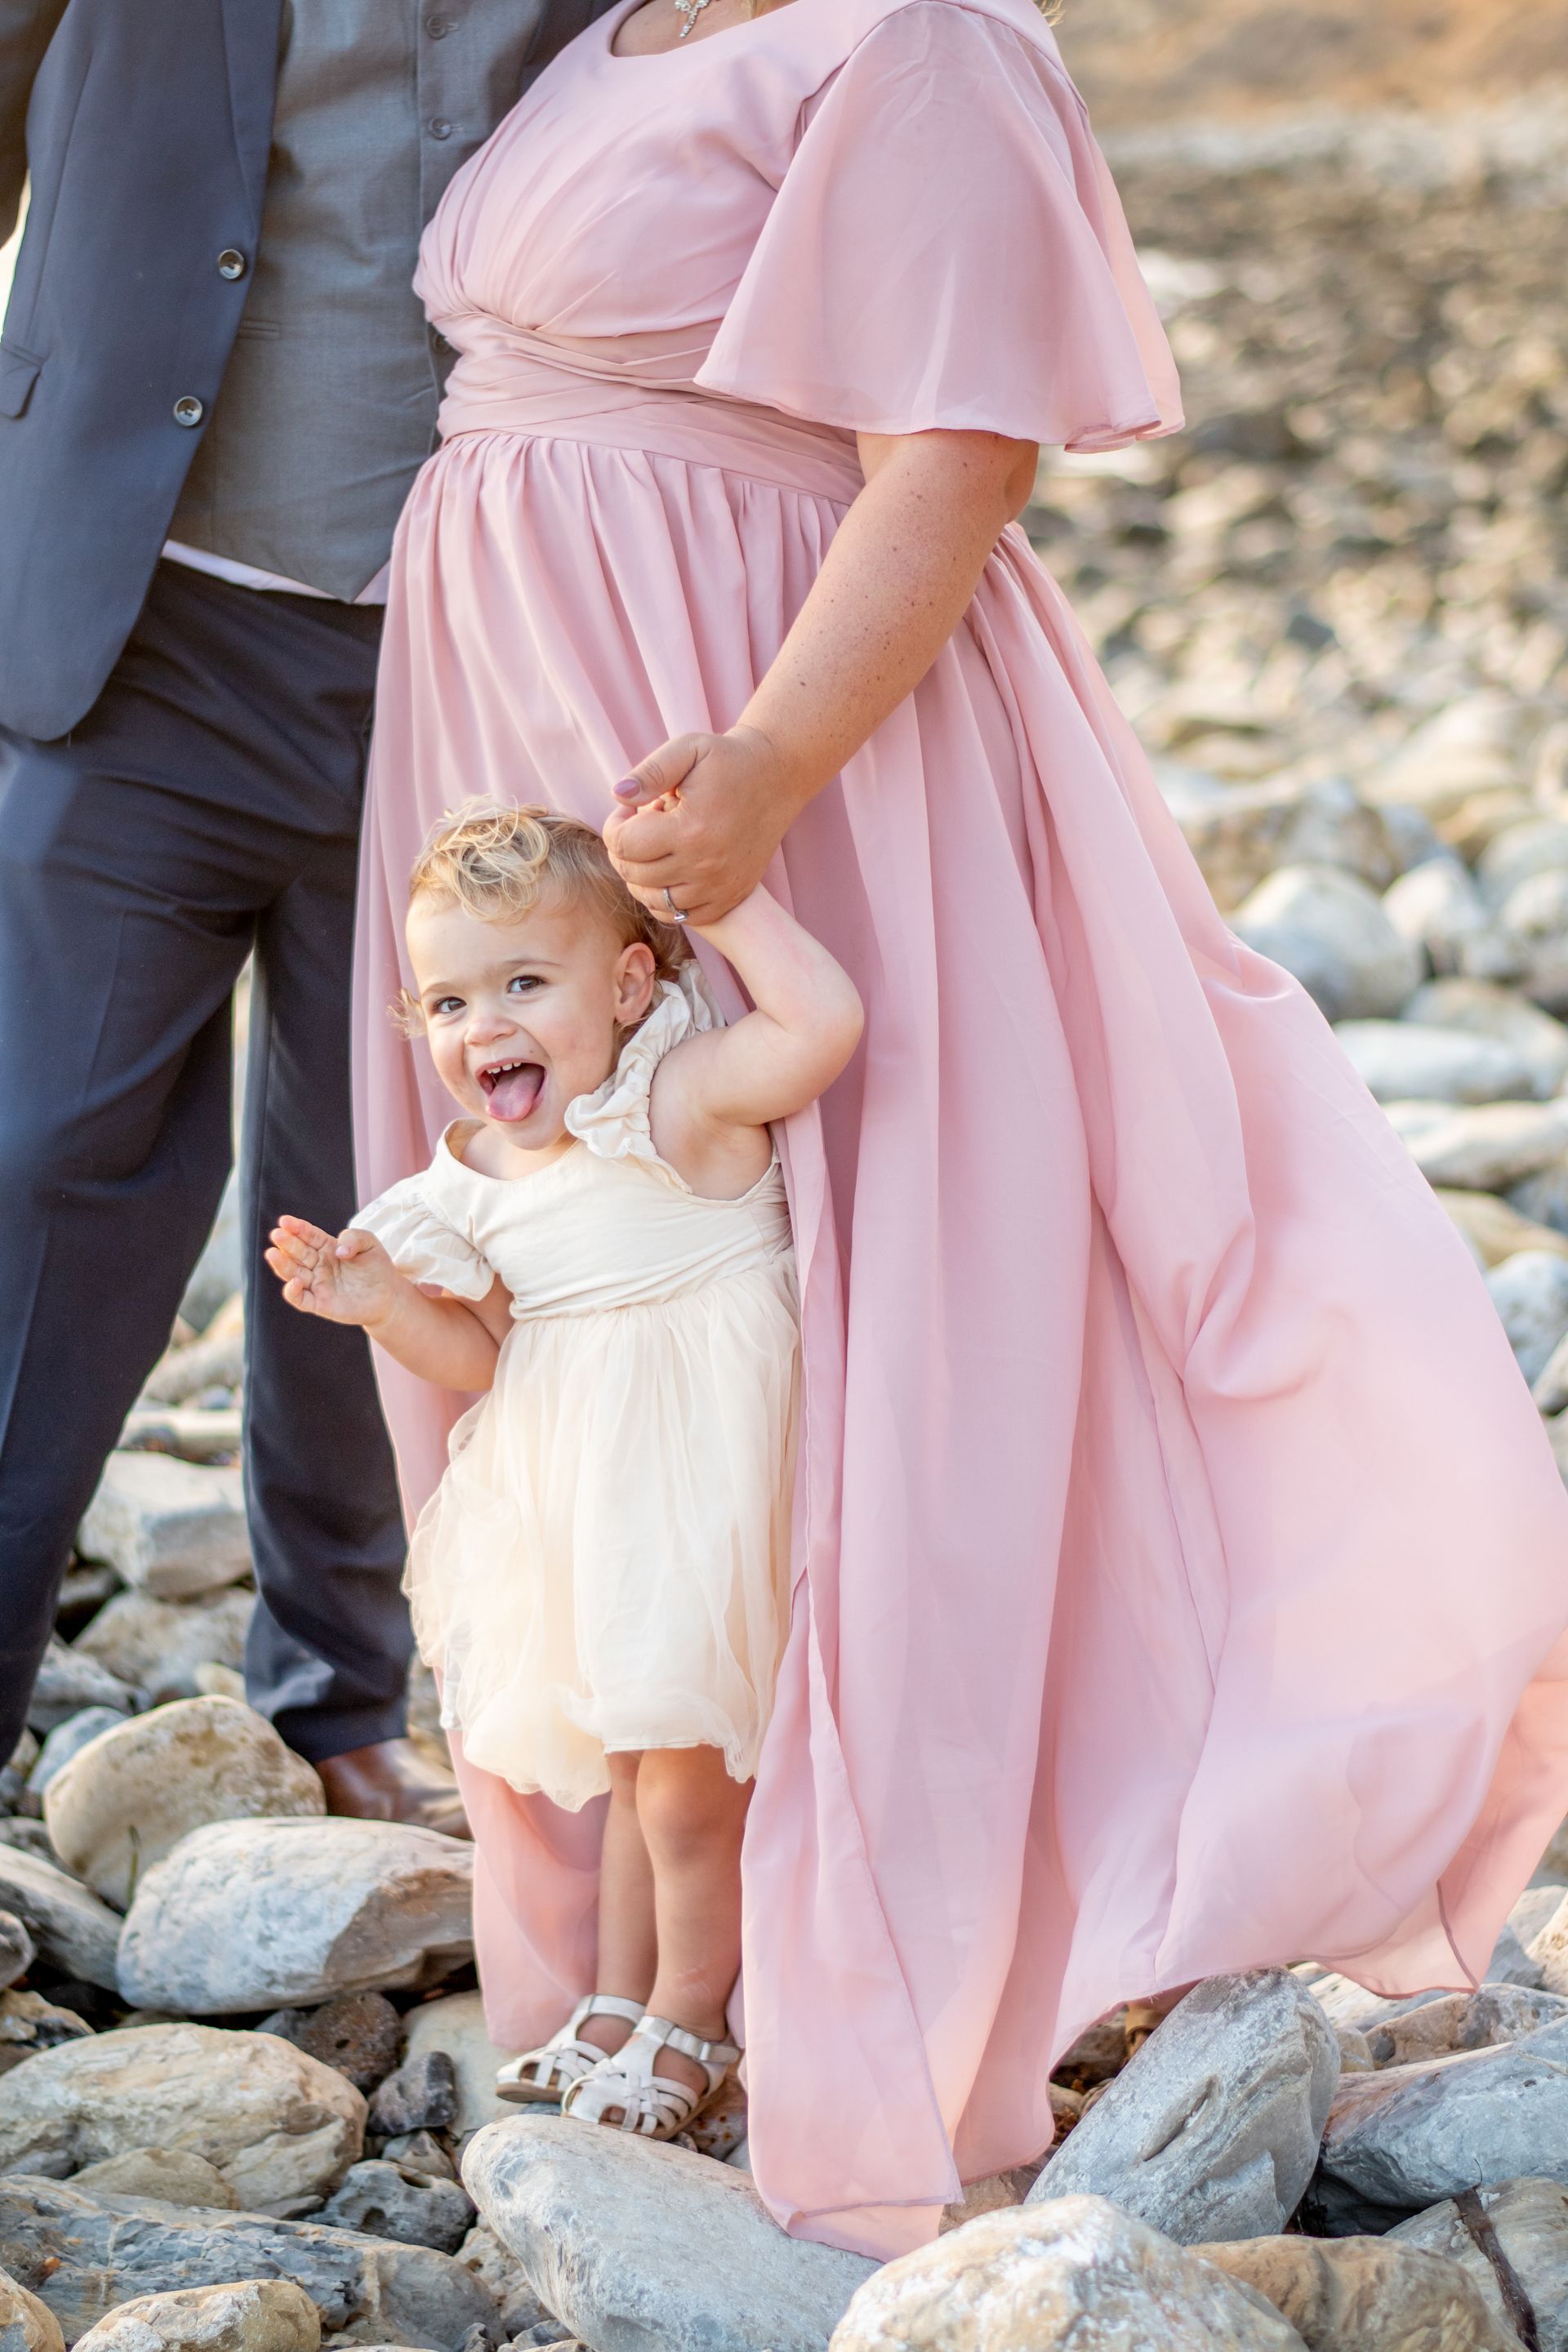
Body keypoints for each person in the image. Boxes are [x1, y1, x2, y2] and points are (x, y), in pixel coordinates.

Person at [354, 0, 1568, 2261]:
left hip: (774, 758)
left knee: (840, 1350)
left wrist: (770, 777)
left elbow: (957, 448)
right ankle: (626, 1959)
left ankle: (846, 1990)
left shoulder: (913, 33)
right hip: (524, 745)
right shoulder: (611, 21)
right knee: (592, 1342)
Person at [0, 0, 613, 1814]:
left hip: (471, 657)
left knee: (380, 1197)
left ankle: (337, 1698)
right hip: (144, 619)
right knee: (39, 1159)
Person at [270, 803, 861, 2137]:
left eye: (525, 984)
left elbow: (822, 1024)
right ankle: (617, 1991)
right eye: (451, 1000)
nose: (486, 1027)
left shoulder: (679, 1096)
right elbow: (483, 1356)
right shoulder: (476, 1171)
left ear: (632, 983)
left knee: (685, 1788)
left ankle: (696, 2019)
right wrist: (376, 1301)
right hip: (585, 1515)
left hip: (705, 1499)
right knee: (634, 1771)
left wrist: (722, 894)